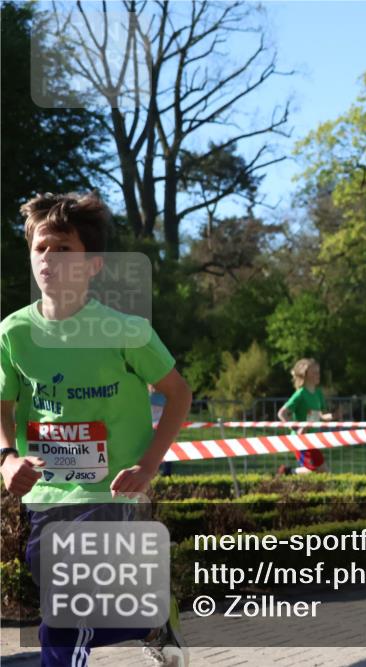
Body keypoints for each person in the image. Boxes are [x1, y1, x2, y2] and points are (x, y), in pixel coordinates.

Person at [0, 192, 192, 666]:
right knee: (63, 602)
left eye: (64, 248)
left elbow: (178, 394)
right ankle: (150, 618)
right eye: (41, 247)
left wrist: (148, 466)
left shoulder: (125, 330)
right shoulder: (13, 333)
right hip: (46, 493)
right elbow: (2, 402)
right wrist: (7, 458)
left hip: (111, 491)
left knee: (65, 619)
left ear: (93, 265)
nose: (49, 257)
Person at [276, 358, 333, 475]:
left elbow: (321, 415)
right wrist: (297, 429)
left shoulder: (318, 393)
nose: (318, 375)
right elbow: (281, 413)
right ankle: (287, 472)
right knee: (319, 471)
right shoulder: (300, 394)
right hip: (300, 440)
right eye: (314, 372)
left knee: (321, 471)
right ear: (305, 375)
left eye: (318, 372)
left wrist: (331, 416)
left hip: (312, 439)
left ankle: (288, 472)